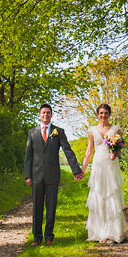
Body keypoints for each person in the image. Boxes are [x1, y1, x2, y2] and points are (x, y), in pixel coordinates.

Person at [24, 103, 84, 246]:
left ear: (51, 115)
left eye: (48, 113)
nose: (46, 115)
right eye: (43, 113)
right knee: (37, 208)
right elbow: (28, 156)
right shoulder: (32, 133)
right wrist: (28, 175)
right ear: (39, 115)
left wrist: (76, 170)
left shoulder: (59, 132)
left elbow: (68, 151)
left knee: (51, 207)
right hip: (37, 175)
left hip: (52, 175)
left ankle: (49, 237)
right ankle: (37, 238)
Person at [81, 103, 127, 243]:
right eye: (101, 113)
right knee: (98, 195)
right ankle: (99, 232)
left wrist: (115, 153)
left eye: (106, 113)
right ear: (97, 114)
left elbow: (120, 147)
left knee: (111, 195)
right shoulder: (92, 130)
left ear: (109, 114)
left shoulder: (116, 129)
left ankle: (113, 233)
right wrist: (82, 169)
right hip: (98, 164)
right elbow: (89, 150)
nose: (103, 115)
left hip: (111, 164)